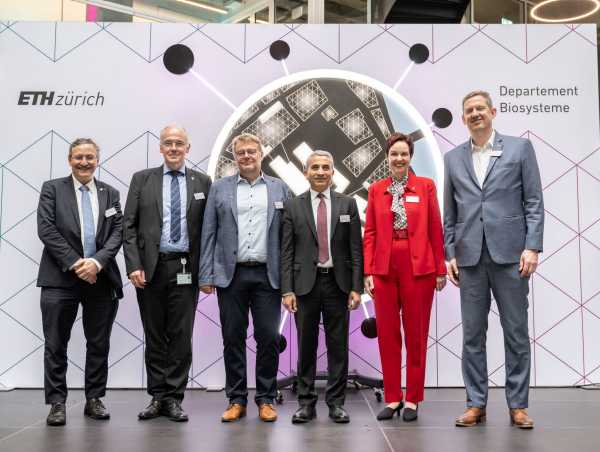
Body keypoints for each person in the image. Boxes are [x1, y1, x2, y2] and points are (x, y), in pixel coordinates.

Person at [444, 91, 544, 429]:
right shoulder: (452, 158)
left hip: (510, 256)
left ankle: (518, 405)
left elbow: (533, 201)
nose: (475, 114)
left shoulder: (519, 148)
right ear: (463, 118)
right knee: (473, 334)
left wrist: (532, 246)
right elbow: (450, 212)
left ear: (493, 112)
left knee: (515, 332)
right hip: (470, 257)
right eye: (469, 110)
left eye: (480, 109)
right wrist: (449, 253)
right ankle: (476, 403)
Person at [198, 133, 291, 423]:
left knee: (268, 338)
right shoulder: (220, 189)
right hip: (231, 275)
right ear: (234, 157)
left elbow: (288, 238)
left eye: (252, 151)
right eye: (241, 152)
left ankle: (265, 398)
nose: (247, 156)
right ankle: (236, 399)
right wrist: (205, 273)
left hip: (268, 276)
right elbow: (208, 233)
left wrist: (290, 281)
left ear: (261, 154)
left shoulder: (279, 188)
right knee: (232, 338)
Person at [123, 125, 211, 422]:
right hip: (150, 268)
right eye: (168, 143)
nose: (173, 148)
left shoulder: (203, 182)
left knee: (181, 335)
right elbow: (129, 226)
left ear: (188, 149)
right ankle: (157, 396)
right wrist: (134, 264)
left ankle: (174, 397)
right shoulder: (142, 179)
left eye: (179, 143)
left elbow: (209, 231)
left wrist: (208, 271)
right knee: (155, 334)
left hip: (186, 268)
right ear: (160, 148)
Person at [37, 138, 123, 426]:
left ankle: (94, 399)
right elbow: (46, 229)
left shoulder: (110, 194)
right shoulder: (52, 189)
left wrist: (96, 262)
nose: (84, 162)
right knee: (56, 343)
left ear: (97, 160)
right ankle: (57, 403)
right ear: (69, 159)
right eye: (78, 157)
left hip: (100, 278)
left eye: (90, 157)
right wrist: (77, 264)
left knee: (98, 343)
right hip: (60, 278)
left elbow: (117, 233)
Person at [363, 133, 446, 422]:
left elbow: (435, 228)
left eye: (404, 154)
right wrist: (369, 271)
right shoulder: (376, 189)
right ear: (387, 157)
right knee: (387, 335)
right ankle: (393, 397)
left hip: (419, 267)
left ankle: (412, 399)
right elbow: (370, 232)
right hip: (385, 269)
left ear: (411, 156)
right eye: (394, 154)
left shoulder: (425, 187)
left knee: (416, 334)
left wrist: (439, 269)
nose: (399, 158)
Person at [281, 150, 363, 424]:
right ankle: (305, 402)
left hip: (338, 284)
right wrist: (287, 290)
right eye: (314, 167)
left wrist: (356, 287)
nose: (319, 172)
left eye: (325, 167)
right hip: (305, 285)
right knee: (306, 345)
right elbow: (287, 252)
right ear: (305, 172)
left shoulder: (348, 204)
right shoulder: (293, 205)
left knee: (338, 345)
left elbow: (355, 248)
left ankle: (336, 403)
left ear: (332, 172)